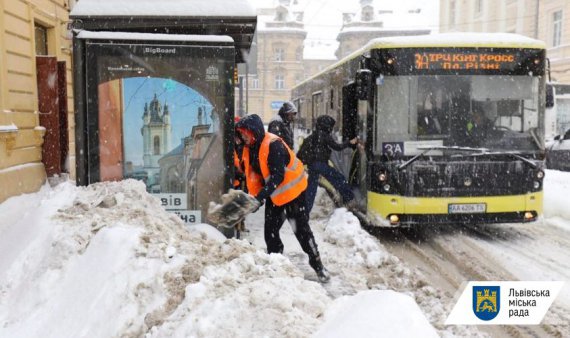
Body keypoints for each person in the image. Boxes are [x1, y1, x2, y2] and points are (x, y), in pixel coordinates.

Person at [235, 114, 330, 283]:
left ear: (254, 132)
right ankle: (276, 265)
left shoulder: (274, 146)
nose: (243, 138)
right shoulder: (250, 148)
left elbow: (277, 177)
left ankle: (318, 265)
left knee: (301, 232)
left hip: (293, 193)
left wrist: (260, 197)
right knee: (270, 233)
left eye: (245, 134)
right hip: (275, 194)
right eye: (241, 134)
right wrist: (255, 198)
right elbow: (255, 175)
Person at [298, 115, 358, 214]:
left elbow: (300, 154)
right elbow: (338, 147)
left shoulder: (311, 137)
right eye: (331, 126)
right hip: (321, 165)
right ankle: (350, 199)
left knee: (311, 190)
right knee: (339, 179)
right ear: (326, 125)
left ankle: (306, 211)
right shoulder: (325, 135)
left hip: (312, 166)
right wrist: (349, 142)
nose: (331, 129)